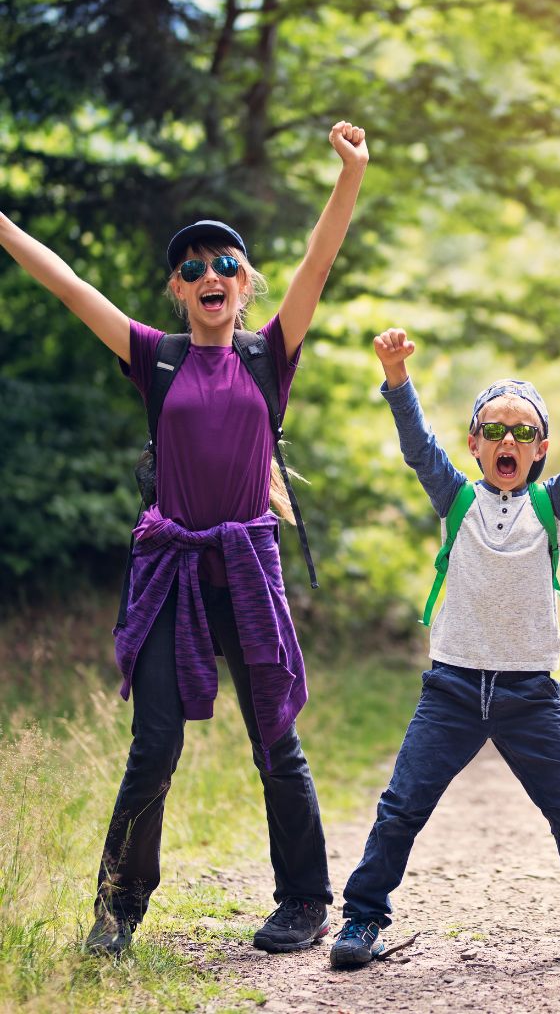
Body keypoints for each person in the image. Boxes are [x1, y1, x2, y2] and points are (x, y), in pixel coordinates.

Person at [0, 121, 370, 955]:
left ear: (244, 286)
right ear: (178, 288)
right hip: (171, 569)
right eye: (194, 266)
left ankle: (306, 902)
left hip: (247, 563)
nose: (210, 273)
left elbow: (319, 260)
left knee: (275, 734)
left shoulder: (270, 355)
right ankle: (117, 910)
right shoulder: (154, 356)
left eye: (225, 264)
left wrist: (349, 176)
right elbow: (68, 287)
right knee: (154, 743)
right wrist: (4, 226)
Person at [328, 327, 560, 968]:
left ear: (539, 448)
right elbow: (418, 448)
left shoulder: (551, 503)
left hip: (528, 693)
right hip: (452, 688)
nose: (507, 441)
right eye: (494, 430)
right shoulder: (456, 498)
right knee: (401, 806)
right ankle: (362, 919)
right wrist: (396, 376)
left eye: (521, 432)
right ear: (475, 444)